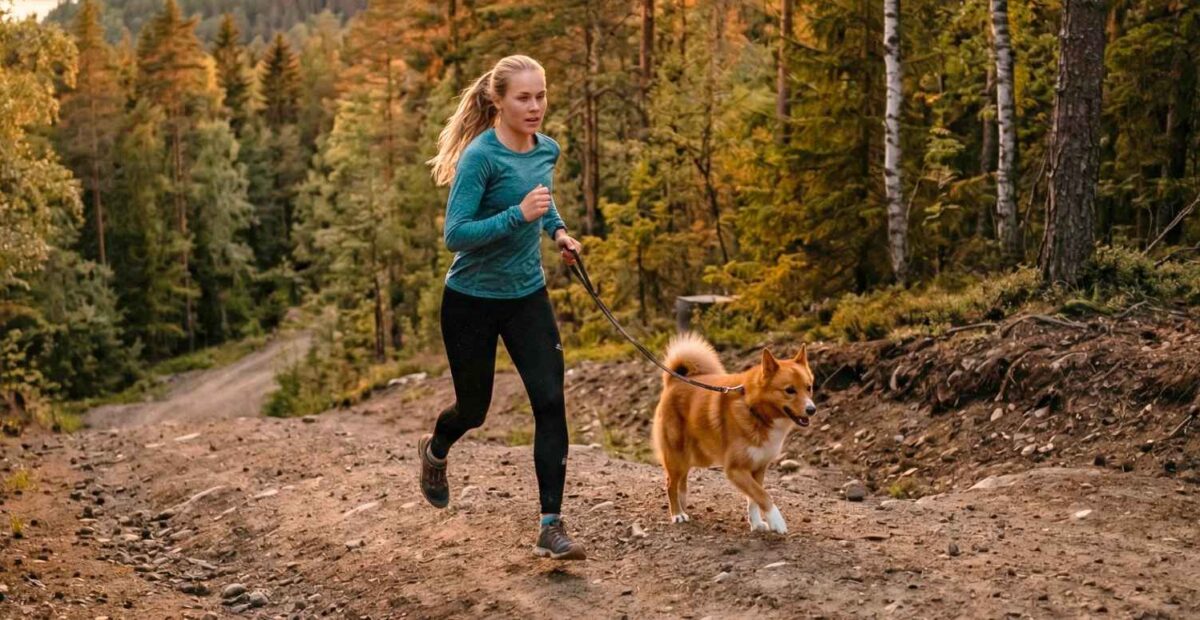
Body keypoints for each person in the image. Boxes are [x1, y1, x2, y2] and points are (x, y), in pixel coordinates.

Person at [418, 55, 586, 560]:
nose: (535, 107)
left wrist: (558, 231)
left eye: (541, 96)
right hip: (471, 301)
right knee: (473, 410)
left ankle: (551, 525)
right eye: (523, 98)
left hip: (526, 296)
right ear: (498, 101)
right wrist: (518, 215)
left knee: (550, 402)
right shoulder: (480, 158)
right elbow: (455, 235)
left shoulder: (546, 149)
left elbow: (541, 199)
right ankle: (436, 449)